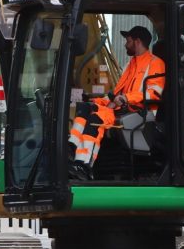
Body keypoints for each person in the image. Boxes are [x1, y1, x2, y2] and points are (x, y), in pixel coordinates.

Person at [68, 25, 165, 180]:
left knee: (95, 120)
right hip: (122, 108)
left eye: (128, 41)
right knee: (86, 107)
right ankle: (71, 148)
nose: (126, 45)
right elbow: (118, 93)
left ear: (137, 41)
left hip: (138, 112)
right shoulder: (131, 64)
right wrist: (98, 100)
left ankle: (84, 165)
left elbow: (153, 93)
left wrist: (126, 99)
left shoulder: (155, 63)